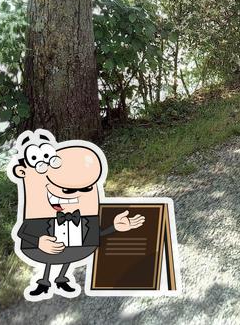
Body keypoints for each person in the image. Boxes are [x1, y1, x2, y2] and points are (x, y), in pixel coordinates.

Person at [8, 129, 145, 301]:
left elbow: (94, 235)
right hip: (42, 250)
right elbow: (22, 233)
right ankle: (44, 282)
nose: (72, 194)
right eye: (67, 190)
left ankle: (62, 278)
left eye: (86, 188)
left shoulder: (85, 216)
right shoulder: (36, 214)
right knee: (52, 255)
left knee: (67, 253)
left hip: (75, 250)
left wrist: (115, 227)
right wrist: (38, 241)